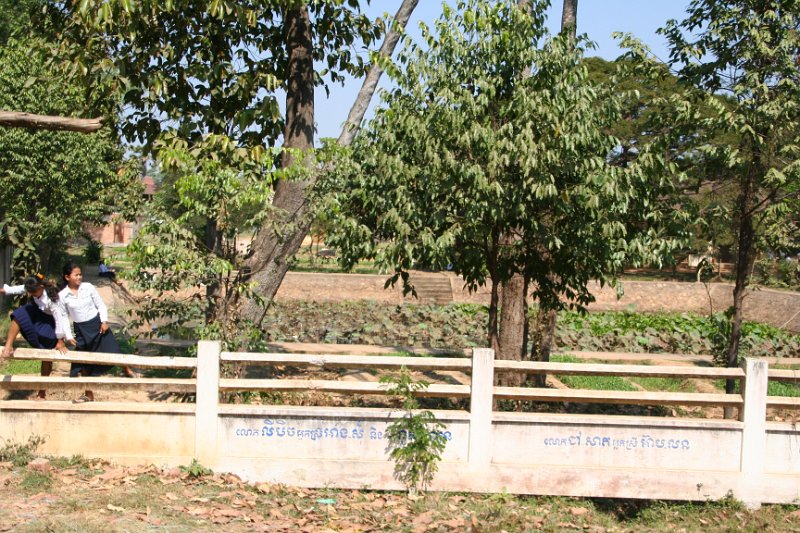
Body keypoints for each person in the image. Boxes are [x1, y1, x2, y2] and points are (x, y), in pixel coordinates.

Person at [59, 261, 121, 402]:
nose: (79, 277)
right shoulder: (63, 296)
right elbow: (63, 316)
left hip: (97, 325)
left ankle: (127, 370)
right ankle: (89, 393)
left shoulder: (88, 287)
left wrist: (104, 321)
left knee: (114, 350)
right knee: (82, 362)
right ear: (67, 277)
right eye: (76, 275)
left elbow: (100, 305)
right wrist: (68, 335)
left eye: (80, 274)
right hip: (81, 330)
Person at [1, 274, 70, 399]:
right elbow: (18, 289)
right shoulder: (32, 287)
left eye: (34, 292)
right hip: (36, 311)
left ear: (41, 287)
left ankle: (42, 390)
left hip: (51, 321)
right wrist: (4, 290)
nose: (32, 294)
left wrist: (60, 340)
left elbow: (59, 319)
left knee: (47, 353)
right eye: (30, 292)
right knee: (19, 314)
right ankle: (8, 346)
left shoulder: (52, 299)